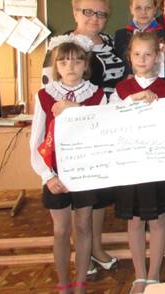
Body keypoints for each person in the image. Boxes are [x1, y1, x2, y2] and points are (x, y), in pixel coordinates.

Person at [41, 0, 124, 277]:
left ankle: (95, 248)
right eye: (88, 11)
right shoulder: (62, 46)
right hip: (73, 136)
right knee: (75, 203)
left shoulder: (110, 42)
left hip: (106, 124)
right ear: (75, 13)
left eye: (101, 13)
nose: (94, 18)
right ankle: (81, 255)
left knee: (96, 195)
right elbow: (49, 93)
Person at [109, 32, 165, 294]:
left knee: (157, 220)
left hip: (159, 165)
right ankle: (139, 275)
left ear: (157, 57)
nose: (142, 59)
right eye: (137, 54)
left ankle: (153, 274)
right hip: (131, 167)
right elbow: (109, 123)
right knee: (134, 221)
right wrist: (131, 101)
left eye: (148, 54)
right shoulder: (121, 91)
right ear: (129, 57)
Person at [30, 35, 106, 294]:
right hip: (56, 174)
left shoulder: (97, 95)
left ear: (85, 65)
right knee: (61, 230)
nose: (70, 67)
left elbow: (100, 131)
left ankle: (81, 280)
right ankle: (64, 282)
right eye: (63, 62)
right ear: (56, 66)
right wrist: (47, 175)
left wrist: (75, 107)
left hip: (84, 172)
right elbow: (36, 140)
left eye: (76, 62)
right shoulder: (44, 96)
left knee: (83, 226)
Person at [114, 0, 165, 81]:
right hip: (128, 85)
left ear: (155, 10)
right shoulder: (121, 35)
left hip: (156, 85)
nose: (143, 12)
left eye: (148, 8)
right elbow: (117, 67)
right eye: (138, 8)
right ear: (131, 9)